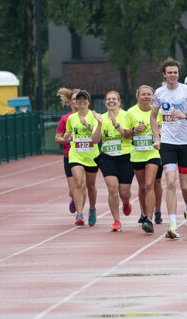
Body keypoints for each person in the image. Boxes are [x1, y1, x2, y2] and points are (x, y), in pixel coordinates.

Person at [152, 59, 187, 240]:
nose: (173, 75)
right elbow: (153, 116)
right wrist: (156, 138)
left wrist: (185, 115)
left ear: (178, 74)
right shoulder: (159, 92)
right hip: (167, 143)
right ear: (164, 74)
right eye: (169, 72)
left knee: (185, 186)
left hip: (185, 143)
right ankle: (172, 224)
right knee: (171, 182)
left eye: (175, 72)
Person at [56, 90, 101, 227]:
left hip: (91, 156)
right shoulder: (71, 118)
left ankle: (92, 210)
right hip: (75, 155)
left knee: (91, 186)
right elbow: (68, 134)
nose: (81, 101)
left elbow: (97, 138)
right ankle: (80, 214)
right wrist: (67, 137)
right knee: (79, 183)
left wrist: (86, 124)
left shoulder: (95, 116)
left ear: (88, 101)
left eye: (84, 99)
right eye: (79, 99)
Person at [98, 90, 135, 232]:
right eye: (108, 99)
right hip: (107, 157)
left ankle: (126, 202)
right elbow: (96, 140)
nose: (111, 101)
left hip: (126, 156)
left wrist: (116, 126)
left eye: (114, 99)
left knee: (124, 192)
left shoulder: (127, 116)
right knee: (112, 188)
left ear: (119, 102)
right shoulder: (100, 118)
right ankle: (116, 221)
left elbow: (130, 136)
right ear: (105, 102)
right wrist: (99, 125)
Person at [128, 85, 162, 234]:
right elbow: (125, 134)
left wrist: (157, 134)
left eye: (149, 94)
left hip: (153, 153)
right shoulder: (131, 112)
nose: (146, 96)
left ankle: (149, 219)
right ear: (138, 97)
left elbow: (162, 127)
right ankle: (143, 212)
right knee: (142, 186)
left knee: (149, 184)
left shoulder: (157, 111)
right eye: (143, 94)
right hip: (137, 154)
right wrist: (135, 130)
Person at [54, 88, 80, 217]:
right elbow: (57, 138)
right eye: (74, 99)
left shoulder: (90, 116)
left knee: (82, 185)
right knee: (72, 191)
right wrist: (66, 138)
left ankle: (81, 214)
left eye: (80, 99)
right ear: (70, 101)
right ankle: (74, 199)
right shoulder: (65, 119)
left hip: (85, 155)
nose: (77, 102)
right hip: (69, 156)